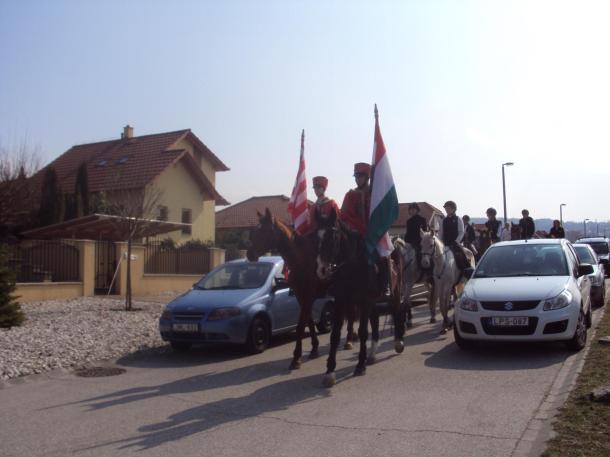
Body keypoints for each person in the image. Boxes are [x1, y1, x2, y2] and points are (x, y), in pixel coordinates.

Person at [340, 162, 371, 238]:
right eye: (356, 177)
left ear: (367, 177)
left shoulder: (374, 194)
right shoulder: (350, 195)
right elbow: (343, 215)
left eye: (360, 176)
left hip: (372, 233)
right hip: (353, 233)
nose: (357, 179)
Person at [438, 201, 469, 270]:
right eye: (446, 208)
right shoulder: (443, 220)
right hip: (445, 244)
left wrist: (456, 242)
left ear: (453, 209)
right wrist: (440, 242)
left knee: (461, 256)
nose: (446, 210)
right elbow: (440, 233)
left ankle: (466, 271)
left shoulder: (458, 219)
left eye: (448, 208)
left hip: (455, 245)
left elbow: (461, 232)